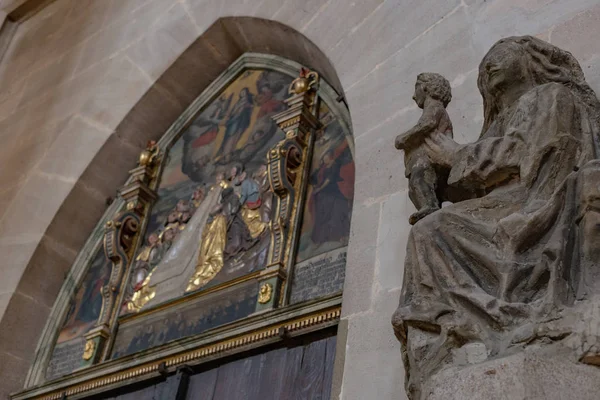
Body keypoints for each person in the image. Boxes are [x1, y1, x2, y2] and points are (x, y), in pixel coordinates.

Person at [392, 36, 600, 394]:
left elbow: (524, 152)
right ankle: (446, 334)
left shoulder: (551, 96)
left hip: (540, 201)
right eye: (484, 63)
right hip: (501, 206)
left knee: (432, 231)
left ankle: (487, 325)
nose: (490, 65)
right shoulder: (501, 119)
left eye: (500, 55)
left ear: (530, 59)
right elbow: (478, 182)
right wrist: (438, 175)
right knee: (427, 231)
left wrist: (458, 155)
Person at [395, 73, 453, 225]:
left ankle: (430, 206)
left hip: (430, 160)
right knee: (413, 189)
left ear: (425, 88)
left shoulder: (434, 107)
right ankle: (429, 206)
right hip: (424, 160)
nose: (414, 97)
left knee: (419, 178)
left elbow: (426, 125)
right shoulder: (434, 108)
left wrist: (404, 138)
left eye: (416, 90)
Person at [309, 150, 352, 247]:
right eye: (323, 158)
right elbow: (313, 178)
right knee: (322, 215)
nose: (324, 159)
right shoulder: (322, 167)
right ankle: (321, 238)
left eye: (326, 157)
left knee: (338, 210)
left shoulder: (335, 164)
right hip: (323, 193)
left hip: (331, 190)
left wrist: (320, 188)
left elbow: (329, 179)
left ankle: (341, 236)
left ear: (330, 156)